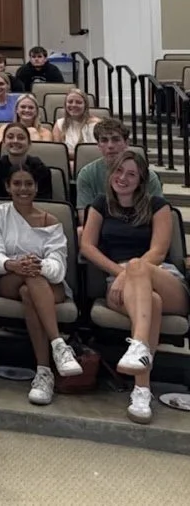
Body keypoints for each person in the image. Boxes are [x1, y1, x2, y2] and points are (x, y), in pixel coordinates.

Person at [79, 150, 189, 423]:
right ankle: (142, 390)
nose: (123, 178)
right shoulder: (100, 204)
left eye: (131, 174)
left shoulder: (158, 205)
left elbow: (159, 251)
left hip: (162, 276)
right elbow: (87, 246)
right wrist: (121, 274)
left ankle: (138, 346)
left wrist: (130, 272)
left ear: (141, 180)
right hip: (117, 282)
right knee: (151, 302)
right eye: (118, 171)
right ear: (110, 174)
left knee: (141, 266)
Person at [0, 163, 83, 405]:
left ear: (37, 187)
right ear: (8, 186)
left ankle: (44, 371)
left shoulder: (51, 221)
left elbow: (58, 269)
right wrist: (15, 265)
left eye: (28, 183)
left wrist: (37, 266)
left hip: (44, 281)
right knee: (29, 278)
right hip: (6, 278)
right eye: (17, 183)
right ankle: (58, 345)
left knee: (30, 289)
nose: (23, 188)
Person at [75, 120, 164, 217]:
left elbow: (159, 215)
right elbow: (84, 217)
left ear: (126, 143)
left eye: (116, 140)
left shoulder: (149, 176)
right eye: (104, 140)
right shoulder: (87, 174)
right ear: (99, 146)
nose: (110, 146)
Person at [0, 123, 52, 209]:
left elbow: (46, 203)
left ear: (29, 143)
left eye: (21, 138)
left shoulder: (40, 168)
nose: (15, 141)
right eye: (10, 137)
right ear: (4, 142)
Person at [52, 90, 101, 159]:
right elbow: (58, 152)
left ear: (85, 106)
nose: (74, 105)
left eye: (78, 102)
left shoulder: (97, 124)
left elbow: (100, 151)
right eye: (70, 102)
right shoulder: (59, 124)